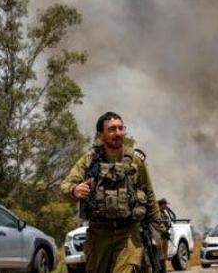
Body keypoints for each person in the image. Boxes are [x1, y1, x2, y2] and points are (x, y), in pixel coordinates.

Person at [60, 112, 168, 273]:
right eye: (111, 129)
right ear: (100, 134)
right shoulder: (89, 161)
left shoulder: (135, 161)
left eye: (120, 128)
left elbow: (149, 195)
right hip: (98, 234)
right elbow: (65, 187)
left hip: (128, 232)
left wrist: (160, 231)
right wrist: (74, 190)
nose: (118, 133)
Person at [157, 198, 176, 270]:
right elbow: (158, 224)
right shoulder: (157, 213)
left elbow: (170, 219)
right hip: (160, 236)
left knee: (164, 254)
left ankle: (164, 269)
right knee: (160, 254)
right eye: (165, 205)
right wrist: (164, 231)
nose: (166, 206)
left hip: (164, 236)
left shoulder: (163, 212)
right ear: (162, 204)